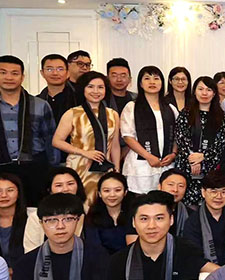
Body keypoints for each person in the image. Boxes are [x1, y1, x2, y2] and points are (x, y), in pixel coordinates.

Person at [0, 55, 57, 207]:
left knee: (35, 211)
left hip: (35, 167)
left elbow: (50, 140)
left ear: (22, 77)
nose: (9, 77)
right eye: (3, 72)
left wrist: (53, 171)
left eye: (14, 73)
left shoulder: (40, 105)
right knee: (1, 211)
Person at [52, 71, 121, 207]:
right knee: (80, 205)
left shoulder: (113, 114)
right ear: (83, 89)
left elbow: (115, 145)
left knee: (101, 205)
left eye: (100, 87)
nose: (96, 91)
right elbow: (56, 141)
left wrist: (117, 169)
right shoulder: (72, 113)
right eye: (90, 87)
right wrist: (85, 153)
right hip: (79, 166)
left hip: (105, 168)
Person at [120, 66, 180, 194]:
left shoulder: (170, 108)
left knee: (165, 200)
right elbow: (128, 136)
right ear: (140, 84)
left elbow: (177, 135)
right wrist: (148, 156)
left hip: (166, 165)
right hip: (141, 166)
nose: (152, 82)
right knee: (142, 201)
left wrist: (173, 154)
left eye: (156, 78)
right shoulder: (132, 107)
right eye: (147, 78)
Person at [175, 76, 225, 207]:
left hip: (210, 166)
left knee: (209, 202)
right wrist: (193, 159)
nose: (204, 93)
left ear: (214, 93)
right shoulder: (185, 113)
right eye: (200, 89)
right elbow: (181, 138)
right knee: (186, 205)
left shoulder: (222, 116)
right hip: (186, 165)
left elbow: (222, 143)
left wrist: (203, 156)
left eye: (208, 90)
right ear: (194, 92)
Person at [186, 171, 225, 270]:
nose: (219, 196)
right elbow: (195, 259)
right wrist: (223, 273)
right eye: (213, 191)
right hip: (207, 271)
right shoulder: (193, 222)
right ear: (203, 192)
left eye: (224, 192)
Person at [21, 166, 88, 252]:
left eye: (70, 184)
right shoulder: (36, 216)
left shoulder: (89, 211)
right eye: (59, 185)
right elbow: (31, 250)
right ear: (49, 190)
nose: (65, 189)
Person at [84, 172, 134, 255]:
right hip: (102, 260)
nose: (112, 195)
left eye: (117, 190)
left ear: (125, 192)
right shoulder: (93, 216)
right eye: (106, 191)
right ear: (99, 193)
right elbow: (93, 247)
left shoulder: (134, 214)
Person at [37, 54, 79, 124]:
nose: (55, 73)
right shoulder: (36, 102)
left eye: (60, 69)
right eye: (49, 69)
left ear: (68, 73)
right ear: (42, 73)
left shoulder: (78, 98)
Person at [157, 168, 193, 239]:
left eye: (181, 186)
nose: (175, 190)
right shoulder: (145, 210)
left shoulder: (190, 215)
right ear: (159, 187)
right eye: (170, 184)